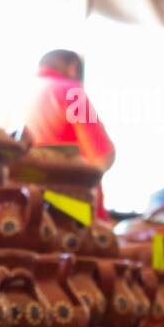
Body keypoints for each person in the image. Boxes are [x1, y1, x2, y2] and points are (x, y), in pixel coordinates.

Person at [25, 49, 116, 216]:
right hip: (65, 212)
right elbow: (102, 154)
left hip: (16, 207)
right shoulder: (72, 92)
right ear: (73, 67)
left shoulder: (14, 96)